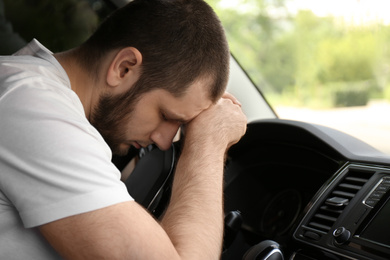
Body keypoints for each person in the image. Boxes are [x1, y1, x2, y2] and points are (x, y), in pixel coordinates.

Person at [0, 0, 247, 259]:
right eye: (165, 115)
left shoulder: (26, 87)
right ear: (124, 67)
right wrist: (209, 142)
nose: (163, 142)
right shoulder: (35, 108)